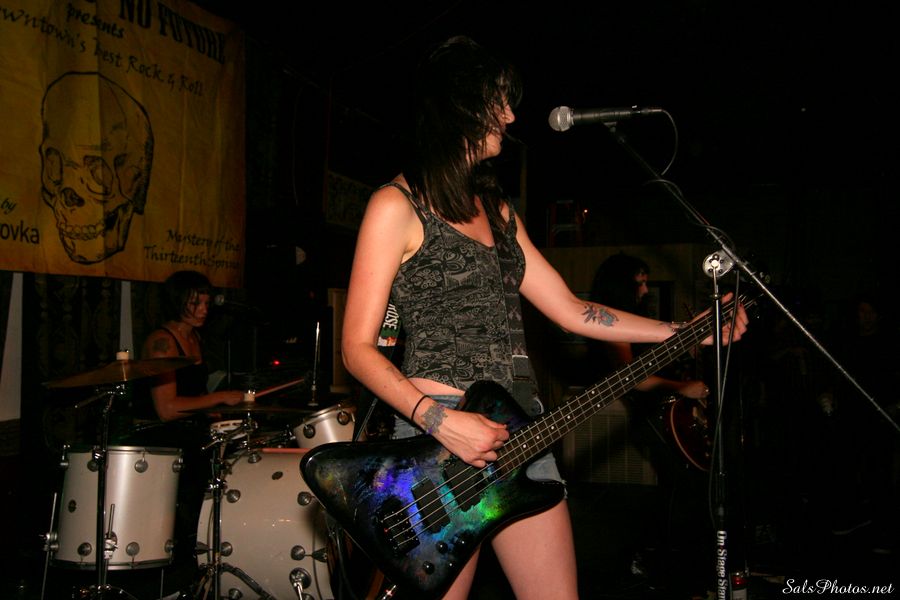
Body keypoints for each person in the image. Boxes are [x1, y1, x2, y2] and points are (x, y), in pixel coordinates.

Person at [341, 36, 748, 599]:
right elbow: (356, 348)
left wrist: (685, 332)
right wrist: (438, 420)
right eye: (498, 102)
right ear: (459, 104)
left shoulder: (499, 211)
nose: (510, 116)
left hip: (523, 433)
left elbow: (571, 311)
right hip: (440, 443)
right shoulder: (395, 205)